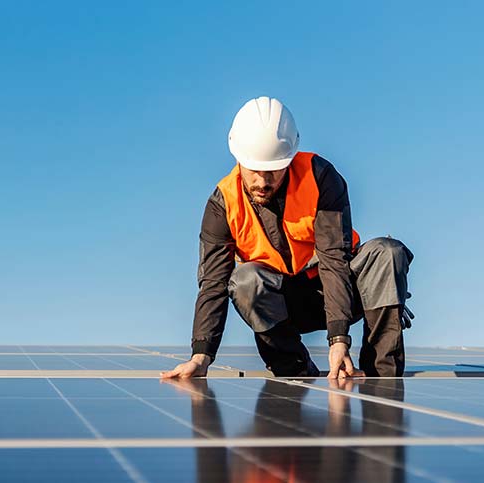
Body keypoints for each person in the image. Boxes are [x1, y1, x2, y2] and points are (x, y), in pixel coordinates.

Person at [161, 96, 413, 380]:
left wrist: (339, 339)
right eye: (255, 170)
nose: (263, 181)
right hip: (283, 306)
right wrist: (200, 356)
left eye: (273, 170)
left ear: (290, 159)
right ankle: (294, 371)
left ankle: (382, 377)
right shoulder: (223, 205)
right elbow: (213, 284)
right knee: (244, 281)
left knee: (386, 253)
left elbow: (334, 258)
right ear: (238, 158)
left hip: (341, 289)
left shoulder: (320, 178)